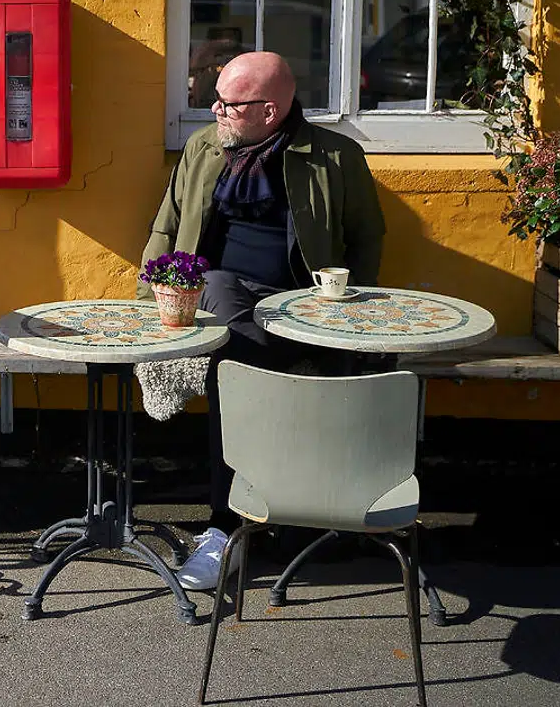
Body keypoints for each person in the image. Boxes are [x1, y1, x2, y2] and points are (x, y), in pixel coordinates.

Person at [136, 51, 386, 589]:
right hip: (219, 295)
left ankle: (257, 520)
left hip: (302, 304)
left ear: (270, 111)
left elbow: (367, 236)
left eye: (229, 105)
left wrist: (350, 310)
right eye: (215, 100)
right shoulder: (205, 148)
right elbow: (167, 225)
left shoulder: (335, 158)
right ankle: (227, 527)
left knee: (252, 369)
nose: (216, 112)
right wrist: (149, 297)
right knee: (234, 353)